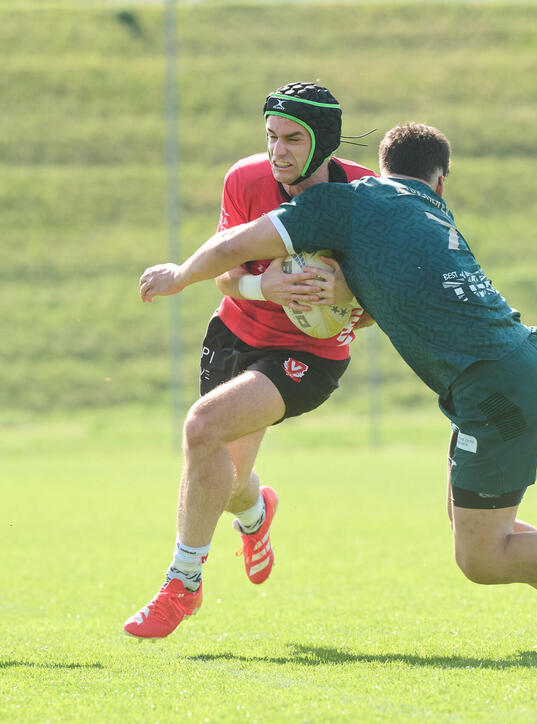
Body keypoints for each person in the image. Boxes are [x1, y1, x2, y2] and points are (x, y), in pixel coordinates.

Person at [137, 122, 537, 646]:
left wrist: (181, 276)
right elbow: (392, 292)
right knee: (478, 526)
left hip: (495, 387)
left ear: (377, 169)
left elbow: (238, 243)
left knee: (482, 556)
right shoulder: (426, 212)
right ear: (439, 181)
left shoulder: (350, 201)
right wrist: (344, 289)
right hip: (505, 372)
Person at [123, 82, 375, 640]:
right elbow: (226, 270)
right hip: (235, 332)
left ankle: (183, 583)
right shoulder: (246, 179)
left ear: (323, 143)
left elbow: (385, 298)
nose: (277, 151)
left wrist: (346, 298)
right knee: (229, 479)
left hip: (307, 356)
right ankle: (256, 511)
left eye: (291, 139)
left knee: (202, 427)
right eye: (270, 137)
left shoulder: (365, 196)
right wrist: (269, 286)